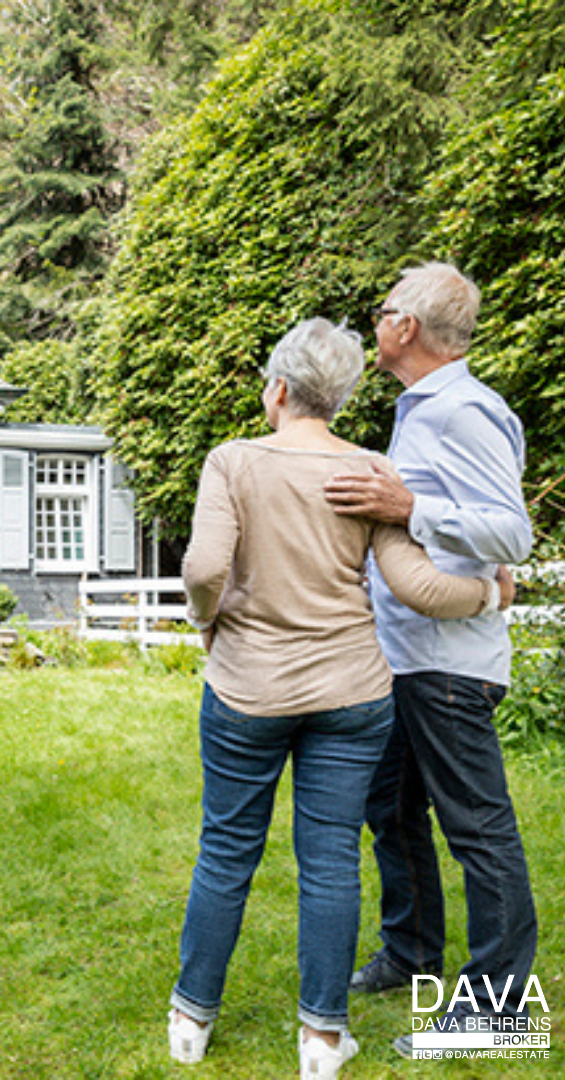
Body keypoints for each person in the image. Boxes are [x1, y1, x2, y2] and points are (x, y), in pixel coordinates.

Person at [169, 317, 508, 1079]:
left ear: (280, 389)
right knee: (330, 860)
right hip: (352, 695)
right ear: (342, 396)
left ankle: (191, 1021)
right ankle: (322, 1040)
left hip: (248, 687)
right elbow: (417, 587)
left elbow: (203, 568)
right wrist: (488, 591)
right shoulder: (366, 470)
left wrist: (208, 622)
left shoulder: (232, 462)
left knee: (227, 849)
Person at [323, 263, 537, 1054]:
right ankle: (411, 952)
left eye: (382, 311)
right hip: (402, 657)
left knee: (478, 828)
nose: (376, 322)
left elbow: (510, 533)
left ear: (405, 327)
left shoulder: (465, 412)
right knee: (392, 812)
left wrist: (411, 506)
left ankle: (497, 1011)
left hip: (449, 664)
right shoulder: (421, 412)